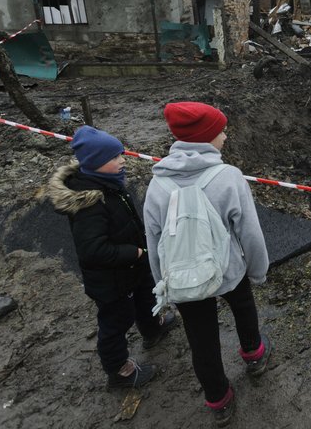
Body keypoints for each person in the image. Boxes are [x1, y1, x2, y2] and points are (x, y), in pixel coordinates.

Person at [143, 102, 271, 427]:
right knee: (243, 310)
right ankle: (254, 355)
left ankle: (218, 399)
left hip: (185, 283)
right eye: (220, 131)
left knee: (201, 341)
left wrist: (165, 287)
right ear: (205, 138)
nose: (226, 137)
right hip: (228, 272)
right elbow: (250, 234)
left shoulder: (157, 185)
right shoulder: (228, 178)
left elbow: (154, 243)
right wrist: (258, 270)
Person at [44, 125, 177, 389]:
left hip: (132, 268)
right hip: (112, 281)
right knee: (116, 323)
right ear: (96, 164)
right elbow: (92, 250)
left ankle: (152, 329)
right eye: (114, 158)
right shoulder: (89, 204)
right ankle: (119, 370)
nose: (122, 160)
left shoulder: (110, 185)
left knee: (146, 296)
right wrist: (134, 251)